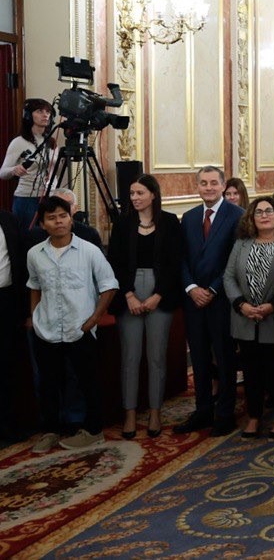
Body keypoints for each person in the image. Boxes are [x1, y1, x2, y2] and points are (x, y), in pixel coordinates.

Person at [26, 197, 118, 453]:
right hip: (47, 330)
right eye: (52, 218)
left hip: (81, 329)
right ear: (43, 224)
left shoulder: (89, 250)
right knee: (48, 384)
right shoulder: (35, 254)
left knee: (88, 381)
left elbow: (109, 285)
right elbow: (34, 286)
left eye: (63, 216)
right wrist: (34, 318)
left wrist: (92, 320)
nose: (58, 222)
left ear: (71, 219)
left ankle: (93, 430)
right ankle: (51, 430)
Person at [107, 174, 184, 439]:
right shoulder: (122, 223)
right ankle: (129, 413)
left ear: (153, 194)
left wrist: (158, 295)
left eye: (140, 193)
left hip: (159, 293)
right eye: (132, 194)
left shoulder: (170, 222)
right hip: (128, 291)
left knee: (156, 356)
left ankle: (155, 412)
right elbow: (114, 262)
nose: (135, 198)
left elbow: (176, 264)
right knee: (130, 357)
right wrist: (128, 294)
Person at [177, 166, 245, 436]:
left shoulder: (236, 215)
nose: (208, 187)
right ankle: (203, 409)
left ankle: (225, 412)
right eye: (203, 183)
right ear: (198, 186)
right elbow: (181, 258)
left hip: (221, 299)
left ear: (222, 185)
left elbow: (234, 259)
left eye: (213, 183)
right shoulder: (190, 217)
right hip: (193, 300)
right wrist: (192, 287)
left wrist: (213, 289)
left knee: (225, 358)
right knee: (200, 358)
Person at [225, 197, 274, 440]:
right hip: (245, 319)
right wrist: (240, 304)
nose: (264, 215)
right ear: (251, 218)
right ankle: (253, 417)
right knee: (251, 372)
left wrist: (272, 305)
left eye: (269, 211)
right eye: (258, 212)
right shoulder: (241, 244)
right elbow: (228, 277)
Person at [3, 98, 58, 228]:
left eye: (48, 112)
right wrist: (14, 170)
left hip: (49, 197)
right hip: (27, 199)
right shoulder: (19, 142)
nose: (45, 115)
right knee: (28, 239)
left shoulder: (52, 142)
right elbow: (2, 172)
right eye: (40, 111)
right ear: (28, 116)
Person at [0, 207, 28, 443]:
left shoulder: (8, 219)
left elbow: (18, 260)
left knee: (7, 363)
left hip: (6, 300)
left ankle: (7, 427)